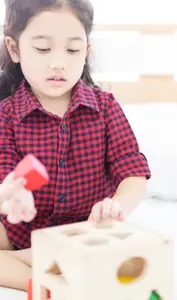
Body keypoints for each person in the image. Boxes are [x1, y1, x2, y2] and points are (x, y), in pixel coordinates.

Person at [0, 0, 151, 291]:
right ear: (15, 49)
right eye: (43, 49)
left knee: (125, 255)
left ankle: (37, 261)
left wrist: (115, 207)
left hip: (86, 232)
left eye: (72, 49)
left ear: (86, 51)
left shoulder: (105, 107)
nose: (59, 62)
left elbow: (132, 170)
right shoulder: (6, 114)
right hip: (21, 230)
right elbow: (5, 173)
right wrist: (12, 193)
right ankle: (45, 281)